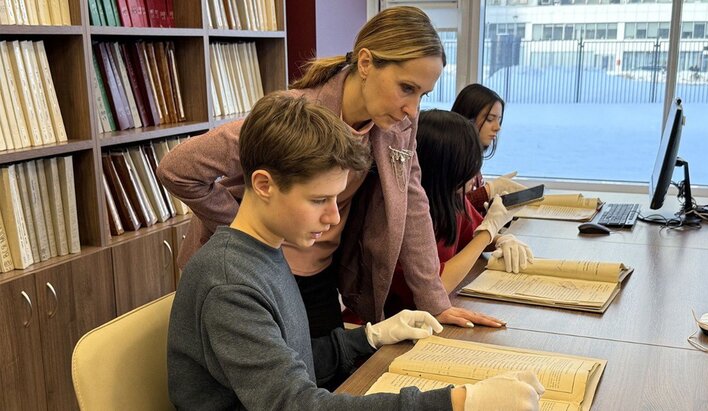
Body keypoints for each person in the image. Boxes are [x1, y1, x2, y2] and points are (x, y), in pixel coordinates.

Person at [167, 93, 544, 410]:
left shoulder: (266, 250)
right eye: (319, 200)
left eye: (336, 199)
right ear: (264, 185)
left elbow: (290, 361)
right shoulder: (231, 284)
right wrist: (457, 402)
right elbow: (296, 404)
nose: (333, 217)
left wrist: (369, 337)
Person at [157, 6, 496, 338]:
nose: (413, 109)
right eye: (406, 88)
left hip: (318, 272)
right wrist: (248, 229)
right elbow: (177, 169)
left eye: (423, 94)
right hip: (252, 270)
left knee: (335, 367)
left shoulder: (398, 124)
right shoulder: (296, 116)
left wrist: (435, 302)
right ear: (366, 63)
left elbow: (412, 203)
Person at [385, 110, 533, 319]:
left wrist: (501, 239)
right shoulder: (405, 215)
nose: (474, 176)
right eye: (466, 167)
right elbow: (436, 288)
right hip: (391, 322)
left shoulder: (452, 199)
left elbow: (473, 237)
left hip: (427, 317)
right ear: (444, 167)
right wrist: (488, 232)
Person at [451, 84, 527, 214]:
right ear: (467, 118)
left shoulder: (473, 157)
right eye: (490, 119)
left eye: (499, 120)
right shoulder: (451, 158)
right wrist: (488, 191)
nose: (497, 127)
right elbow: (454, 209)